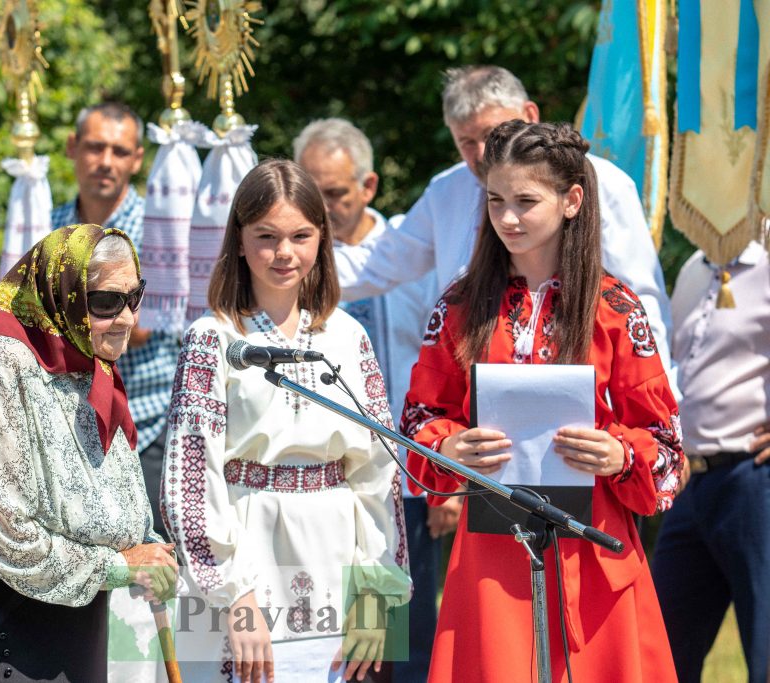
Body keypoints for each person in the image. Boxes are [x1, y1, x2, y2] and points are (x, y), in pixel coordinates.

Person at [401, 121, 683, 682]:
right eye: (496, 200)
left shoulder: (617, 310)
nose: (507, 218)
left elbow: (668, 450)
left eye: (526, 201)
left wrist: (618, 453)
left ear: (572, 199)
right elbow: (418, 421)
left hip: (595, 553)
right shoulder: (458, 307)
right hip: (491, 555)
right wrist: (451, 445)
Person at [161, 159, 411, 682]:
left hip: (336, 552)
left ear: (322, 238)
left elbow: (376, 474)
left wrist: (374, 595)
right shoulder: (213, 338)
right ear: (239, 239)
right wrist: (233, 596)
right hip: (245, 549)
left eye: (301, 235)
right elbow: (190, 479)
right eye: (266, 236)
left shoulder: (348, 337)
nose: (283, 253)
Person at [0, 225, 178, 682]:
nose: (128, 318)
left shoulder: (91, 364)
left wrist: (144, 547)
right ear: (63, 295)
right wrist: (117, 567)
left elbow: (109, 494)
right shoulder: (4, 362)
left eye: (135, 297)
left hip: (66, 603)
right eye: (107, 302)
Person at [333, 65, 675, 383]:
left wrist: (658, 413)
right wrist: (299, 267)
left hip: (578, 390)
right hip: (473, 400)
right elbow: (380, 261)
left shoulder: (603, 183)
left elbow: (640, 306)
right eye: (466, 142)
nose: (481, 153)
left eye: (491, 133)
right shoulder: (446, 191)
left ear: (530, 115)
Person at [293, 117, 438, 682]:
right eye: (313, 194)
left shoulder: (411, 254)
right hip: (321, 483)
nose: (324, 210)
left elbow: (445, 363)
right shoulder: (290, 264)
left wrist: (442, 484)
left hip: (403, 480)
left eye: (336, 194)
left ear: (369, 186)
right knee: (334, 639)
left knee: (400, 641)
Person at [52, 102, 178, 541]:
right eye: (95, 147)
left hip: (147, 429)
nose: (106, 162)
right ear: (72, 147)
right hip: (64, 431)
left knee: (150, 583)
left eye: (120, 151)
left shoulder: (163, 229)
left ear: (138, 158)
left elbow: (137, 327)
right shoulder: (48, 229)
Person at [651, 240, 770, 683]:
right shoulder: (694, 268)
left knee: (766, 651)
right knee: (662, 651)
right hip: (690, 482)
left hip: (755, 479)